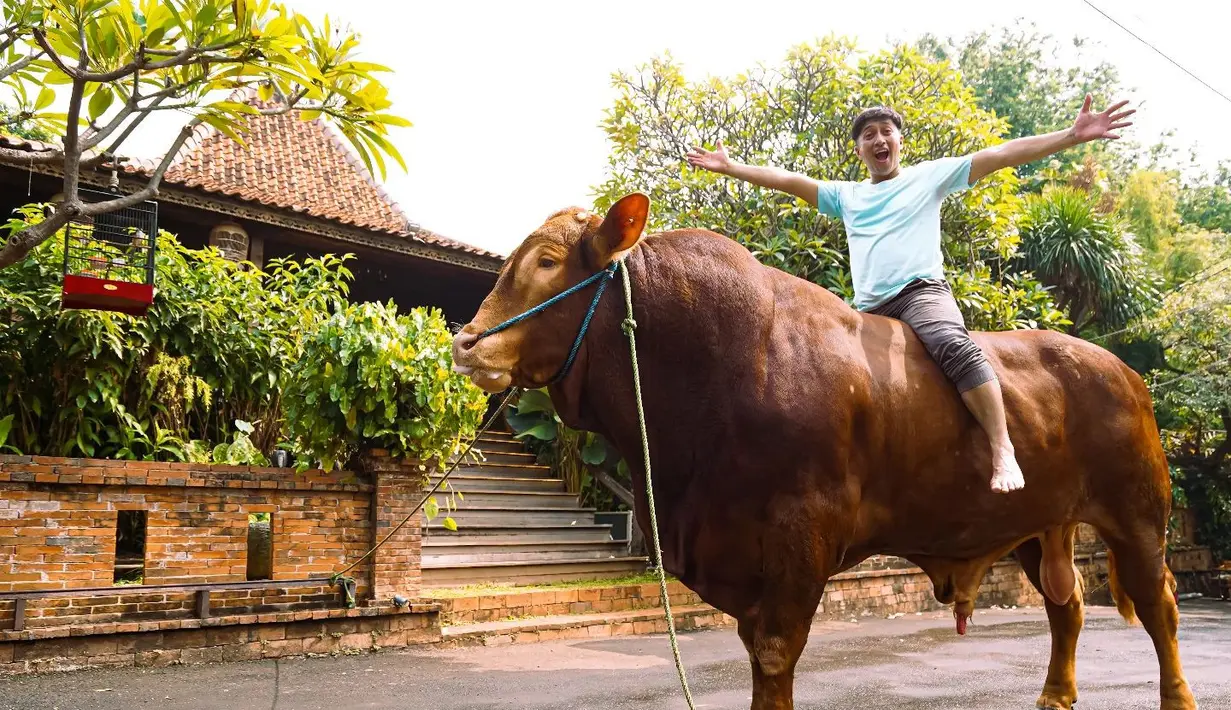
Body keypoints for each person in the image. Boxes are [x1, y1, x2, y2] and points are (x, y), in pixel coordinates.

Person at [685, 95, 1134, 493]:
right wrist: (731, 167)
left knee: (953, 345)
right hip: (869, 311)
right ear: (859, 150)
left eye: (886, 131)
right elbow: (786, 179)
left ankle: (1002, 448)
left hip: (921, 295)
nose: (878, 140)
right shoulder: (846, 196)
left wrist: (1070, 136)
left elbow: (1000, 154)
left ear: (899, 141)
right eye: (868, 135)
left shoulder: (928, 178)